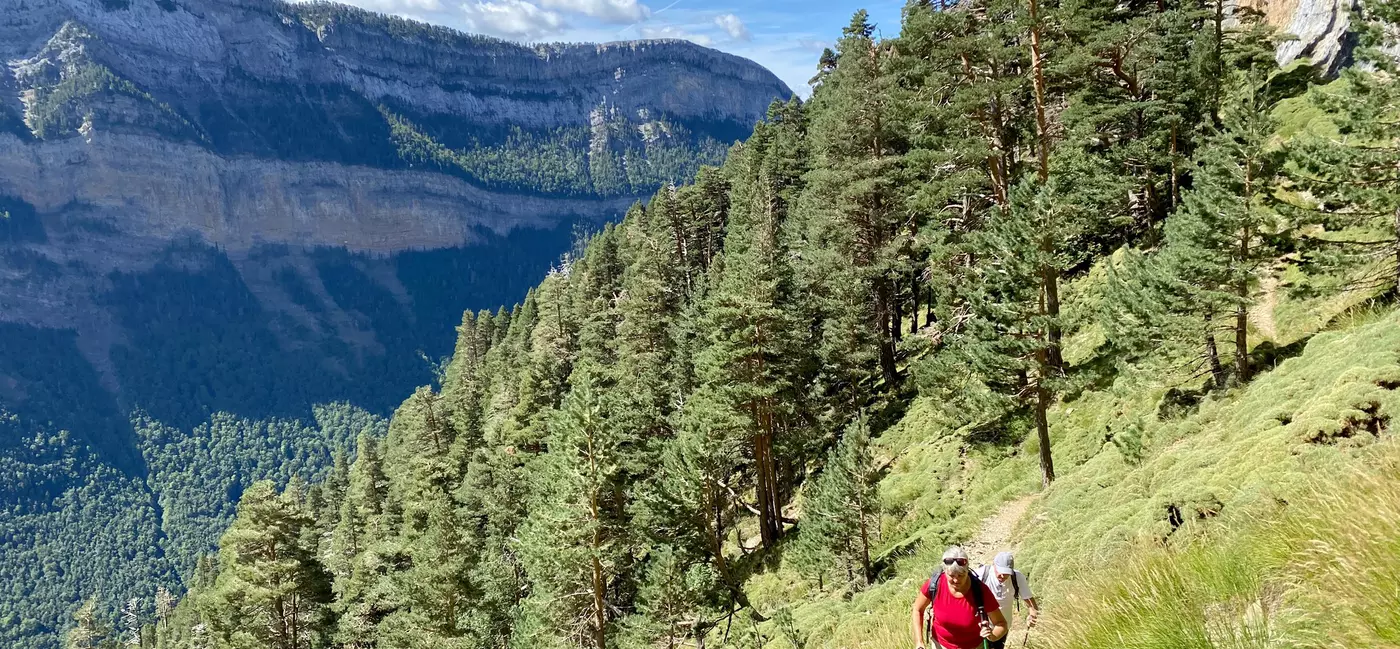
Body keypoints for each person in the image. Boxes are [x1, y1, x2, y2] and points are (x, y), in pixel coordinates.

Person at [911, 546, 1007, 649]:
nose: (956, 580)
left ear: (968, 570)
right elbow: (917, 609)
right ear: (944, 571)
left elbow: (1001, 624)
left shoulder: (980, 590)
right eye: (951, 575)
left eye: (961, 575)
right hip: (940, 644)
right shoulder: (935, 584)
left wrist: (991, 636)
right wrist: (919, 642)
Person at [975, 552, 1039, 649]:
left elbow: (1030, 603)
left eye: (1006, 573)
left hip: (1002, 628)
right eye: (999, 571)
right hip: (980, 626)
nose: (1002, 575)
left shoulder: (1017, 578)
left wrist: (1032, 616)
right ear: (994, 565)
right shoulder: (981, 574)